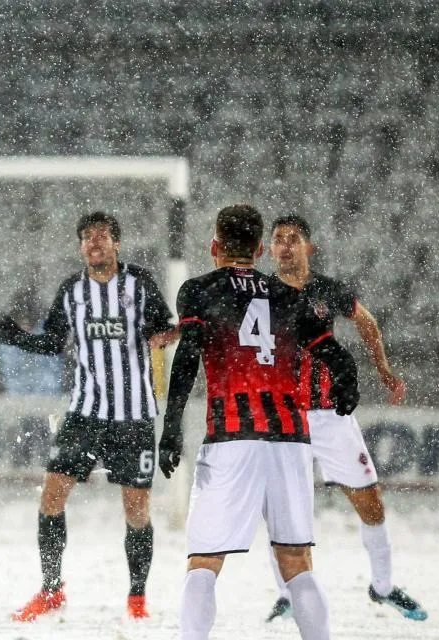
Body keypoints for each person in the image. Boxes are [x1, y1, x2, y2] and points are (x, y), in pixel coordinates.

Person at [155, 204, 360, 640]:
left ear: (215, 246)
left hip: (232, 436)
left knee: (204, 562)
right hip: (290, 439)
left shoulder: (199, 290)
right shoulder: (289, 294)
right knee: (296, 563)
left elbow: (188, 356)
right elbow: (335, 355)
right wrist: (348, 385)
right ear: (261, 248)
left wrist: (171, 427)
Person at [0, 211, 178, 621]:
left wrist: (167, 335)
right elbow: (52, 343)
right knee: (51, 498)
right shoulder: (72, 291)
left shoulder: (140, 283)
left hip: (134, 416)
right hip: (85, 412)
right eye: (87, 237)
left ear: (117, 243)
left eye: (102, 236)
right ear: (80, 246)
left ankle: (137, 599)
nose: (94, 243)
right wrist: (19, 338)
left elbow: (166, 329)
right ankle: (51, 589)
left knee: (136, 511)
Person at [264, 214, 427, 622]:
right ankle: (289, 593)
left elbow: (367, 322)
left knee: (370, 504)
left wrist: (383, 369)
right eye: (278, 239)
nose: (285, 246)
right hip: (283, 420)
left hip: (330, 417)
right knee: (286, 516)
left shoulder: (327, 290)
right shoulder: (261, 294)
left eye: (294, 239)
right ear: (269, 249)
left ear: (309, 247)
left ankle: (383, 586)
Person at [0, 287, 65, 396]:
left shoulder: (48, 337)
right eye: (21, 318)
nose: (25, 324)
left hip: (47, 398)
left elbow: (53, 374)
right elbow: (8, 372)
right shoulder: (7, 343)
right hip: (19, 398)